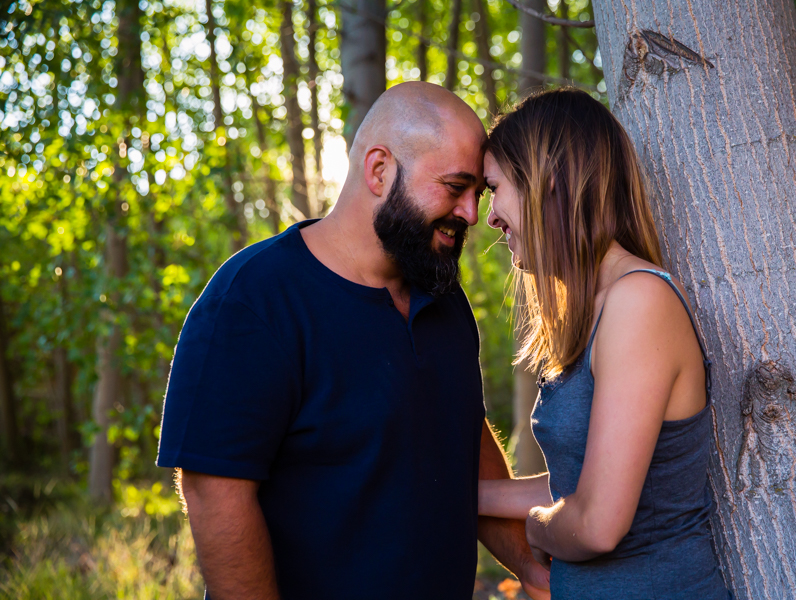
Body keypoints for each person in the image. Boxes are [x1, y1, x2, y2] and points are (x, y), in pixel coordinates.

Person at [156, 82, 550, 600]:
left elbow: (461, 444)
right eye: (455, 187)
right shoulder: (254, 300)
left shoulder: (442, 295)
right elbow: (214, 494)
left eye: (479, 192)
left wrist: (532, 567)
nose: (473, 213)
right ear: (379, 169)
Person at [478, 88, 733, 599]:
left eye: (494, 189)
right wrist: (452, 494)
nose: (490, 218)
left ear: (545, 181)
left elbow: (596, 523)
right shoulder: (599, 310)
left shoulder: (640, 301)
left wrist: (535, 527)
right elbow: (579, 486)